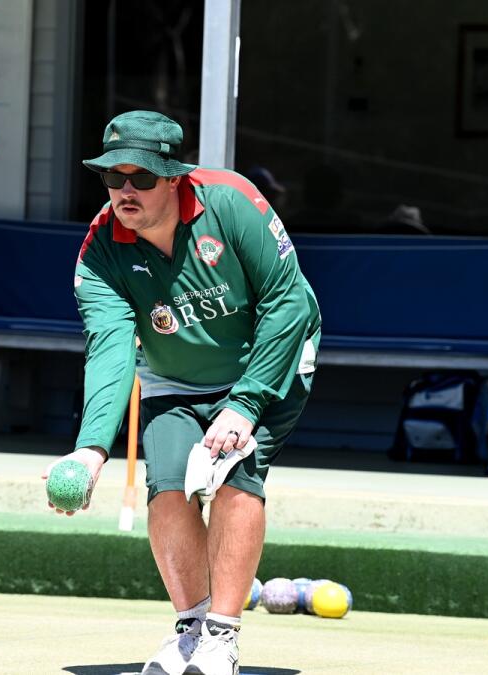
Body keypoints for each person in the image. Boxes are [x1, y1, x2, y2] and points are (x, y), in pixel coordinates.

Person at [44, 110, 321, 675]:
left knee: (237, 476)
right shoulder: (100, 250)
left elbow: (288, 304)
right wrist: (91, 448)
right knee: (169, 487)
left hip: (269, 361)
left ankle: (222, 636)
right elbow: (110, 349)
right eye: (113, 177)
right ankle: (192, 628)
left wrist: (245, 404)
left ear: (173, 178)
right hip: (173, 376)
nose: (125, 191)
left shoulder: (231, 201)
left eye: (141, 177)